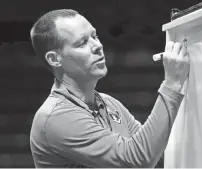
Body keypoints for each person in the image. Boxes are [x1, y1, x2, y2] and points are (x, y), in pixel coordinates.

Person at [29, 9, 189, 168]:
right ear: (54, 59)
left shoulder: (109, 103)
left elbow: (155, 149)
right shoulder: (57, 117)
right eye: (82, 43)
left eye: (94, 36)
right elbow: (138, 160)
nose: (97, 46)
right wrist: (172, 83)